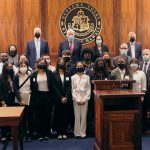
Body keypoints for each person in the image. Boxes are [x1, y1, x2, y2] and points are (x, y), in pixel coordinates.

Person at [30, 58, 61, 141]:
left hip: (48, 96)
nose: (42, 64)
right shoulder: (34, 74)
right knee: (38, 115)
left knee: (47, 115)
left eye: (44, 63)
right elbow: (32, 87)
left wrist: (53, 97)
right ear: (37, 63)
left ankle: (47, 134)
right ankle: (40, 134)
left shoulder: (49, 73)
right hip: (38, 96)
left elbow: (53, 85)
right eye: (41, 63)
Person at [13, 61, 32, 141]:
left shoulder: (30, 75)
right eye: (21, 66)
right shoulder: (16, 76)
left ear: (27, 67)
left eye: (25, 66)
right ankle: (22, 134)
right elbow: (15, 89)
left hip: (29, 97)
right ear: (19, 67)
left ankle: (28, 134)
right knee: (21, 118)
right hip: (20, 98)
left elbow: (33, 86)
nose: (23, 67)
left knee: (29, 117)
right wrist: (20, 100)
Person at [71, 62, 91, 138]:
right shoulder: (73, 77)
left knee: (83, 116)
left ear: (83, 67)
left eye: (81, 66)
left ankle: (83, 133)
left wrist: (85, 99)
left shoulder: (87, 77)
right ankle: (77, 133)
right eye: (78, 66)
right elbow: (72, 89)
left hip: (85, 98)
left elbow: (89, 89)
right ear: (76, 67)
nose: (79, 67)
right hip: (76, 98)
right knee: (77, 116)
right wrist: (77, 99)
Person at [53, 58, 71, 140]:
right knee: (58, 115)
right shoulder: (54, 73)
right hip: (58, 98)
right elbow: (54, 87)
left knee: (66, 115)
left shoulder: (68, 73)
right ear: (57, 64)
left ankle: (65, 132)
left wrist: (66, 96)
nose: (61, 63)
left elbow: (70, 86)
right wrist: (61, 97)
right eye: (59, 62)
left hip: (66, 98)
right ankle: (59, 133)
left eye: (62, 62)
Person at [0, 62, 15, 142]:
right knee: (5, 118)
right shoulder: (1, 77)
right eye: (8, 67)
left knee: (12, 118)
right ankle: (4, 134)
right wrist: (2, 101)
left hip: (13, 99)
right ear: (5, 67)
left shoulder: (13, 76)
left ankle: (12, 134)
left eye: (11, 67)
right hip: (4, 100)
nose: (10, 68)